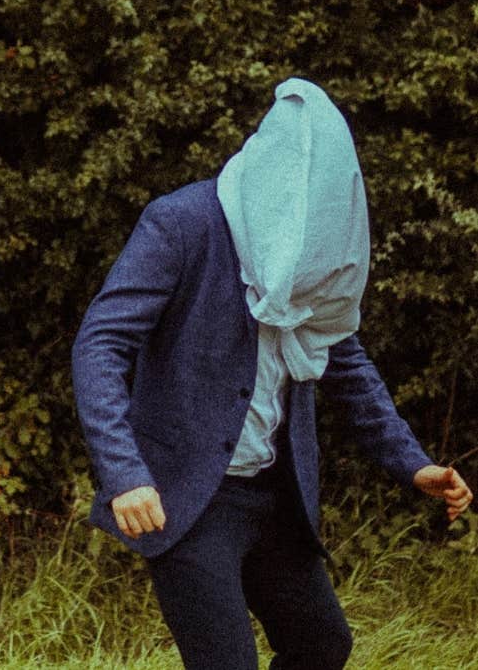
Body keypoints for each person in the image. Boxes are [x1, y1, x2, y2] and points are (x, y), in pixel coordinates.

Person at [71, 77, 472, 669]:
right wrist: (125, 473)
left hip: (275, 494)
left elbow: (344, 358)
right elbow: (100, 343)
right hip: (189, 499)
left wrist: (412, 465)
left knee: (321, 645)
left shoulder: (310, 253)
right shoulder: (182, 223)